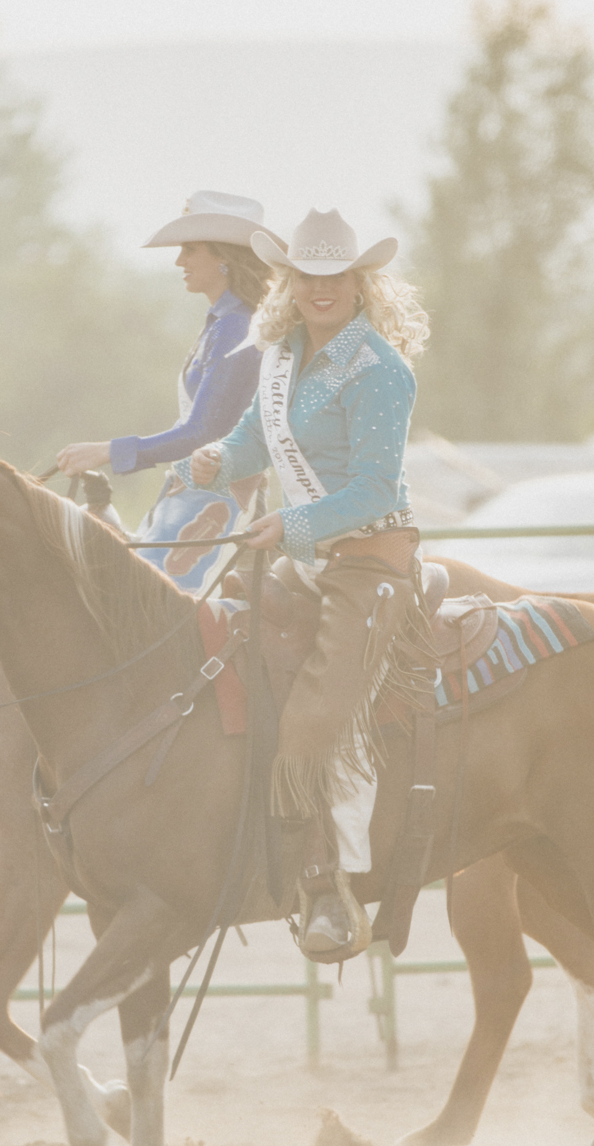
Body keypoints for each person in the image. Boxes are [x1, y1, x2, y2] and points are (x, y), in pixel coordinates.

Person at [181, 208, 430, 960]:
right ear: (289, 282)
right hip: (306, 558)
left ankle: (331, 885)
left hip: (368, 564)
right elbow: (257, 433)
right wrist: (218, 460)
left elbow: (374, 489)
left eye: (335, 276)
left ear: (360, 283)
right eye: (308, 276)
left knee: (316, 721)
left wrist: (288, 528)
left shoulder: (383, 370)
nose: (321, 289)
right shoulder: (283, 353)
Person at [55, 191, 280, 593]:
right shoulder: (223, 323)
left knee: (148, 607)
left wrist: (108, 451)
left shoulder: (235, 328)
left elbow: (203, 433)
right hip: (198, 494)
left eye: (190, 250)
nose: (180, 261)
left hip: (219, 501)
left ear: (223, 257)